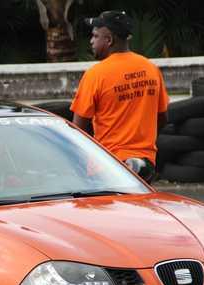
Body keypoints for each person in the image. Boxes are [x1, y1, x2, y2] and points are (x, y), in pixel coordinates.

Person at [70, 10, 168, 182]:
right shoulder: (151, 69)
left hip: (108, 166)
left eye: (95, 36)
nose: (91, 41)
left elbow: (77, 129)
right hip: (144, 165)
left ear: (109, 40)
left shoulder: (96, 75)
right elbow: (162, 117)